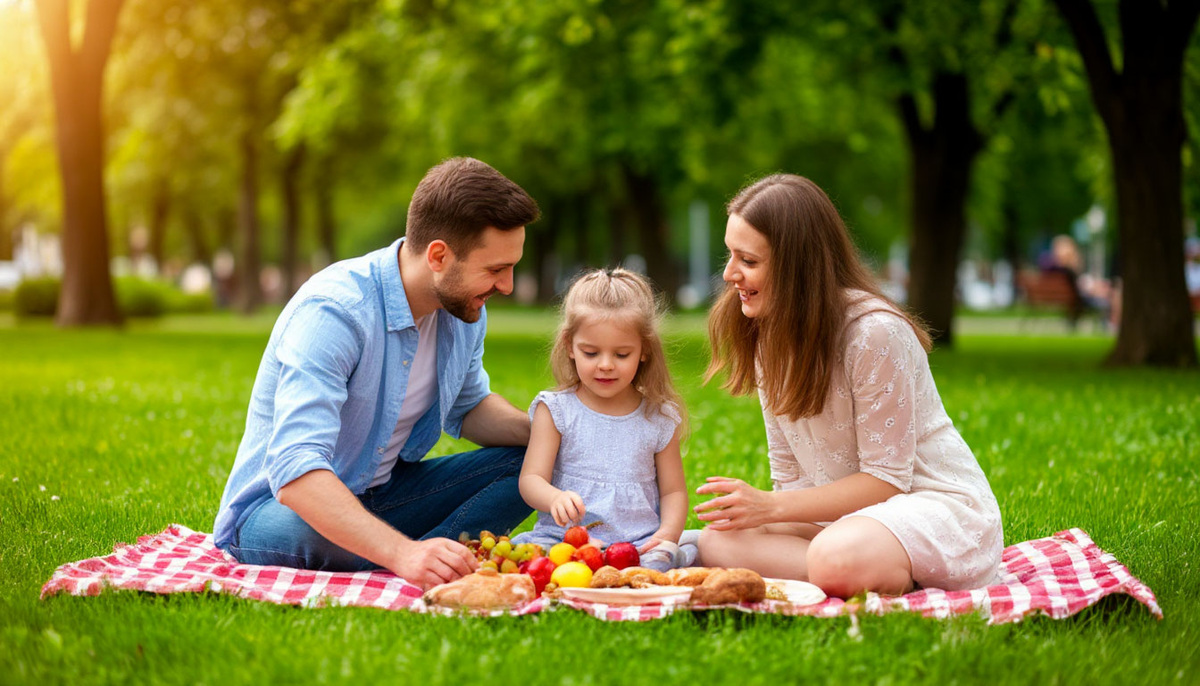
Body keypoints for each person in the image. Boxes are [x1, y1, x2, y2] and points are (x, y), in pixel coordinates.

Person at [213, 157, 541, 590]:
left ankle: (430, 559)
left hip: (383, 495)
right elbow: (294, 469)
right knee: (326, 537)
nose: (508, 286)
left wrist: (551, 432)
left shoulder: (463, 312)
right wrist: (402, 553)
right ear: (439, 256)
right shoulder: (335, 312)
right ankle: (415, 555)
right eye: (495, 269)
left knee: (534, 463)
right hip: (279, 509)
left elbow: (469, 407)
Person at [695, 174, 1003, 597]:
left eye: (748, 261)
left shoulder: (875, 333)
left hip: (933, 508)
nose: (730, 273)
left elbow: (887, 480)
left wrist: (770, 507)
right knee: (717, 540)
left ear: (796, 266)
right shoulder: (769, 339)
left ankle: (855, 568)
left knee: (832, 554)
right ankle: (843, 569)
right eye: (731, 255)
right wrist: (765, 512)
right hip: (847, 523)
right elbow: (790, 476)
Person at [512, 268, 690, 572]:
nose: (606, 365)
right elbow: (531, 480)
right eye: (591, 353)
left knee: (664, 560)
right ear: (569, 345)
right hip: (564, 541)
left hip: (637, 544)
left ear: (644, 350)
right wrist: (554, 498)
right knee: (528, 558)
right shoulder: (556, 410)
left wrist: (667, 535)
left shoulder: (658, 417)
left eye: (621, 355)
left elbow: (673, 491)